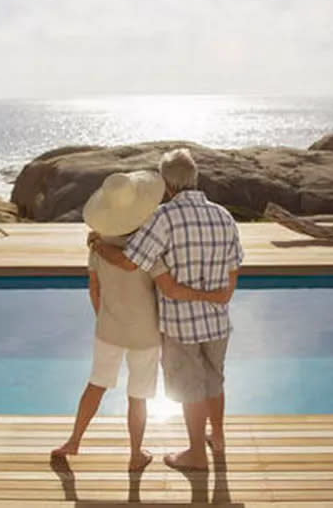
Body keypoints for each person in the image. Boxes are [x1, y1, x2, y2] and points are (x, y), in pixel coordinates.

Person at [51, 170, 230, 472]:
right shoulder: (151, 249)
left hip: (108, 328)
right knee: (138, 396)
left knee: (95, 385)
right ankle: (136, 454)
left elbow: (94, 291)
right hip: (145, 334)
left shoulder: (97, 247)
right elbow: (166, 289)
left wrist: (105, 317)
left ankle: (74, 440)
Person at [91, 148, 242, 471]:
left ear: (167, 185)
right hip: (217, 323)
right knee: (214, 381)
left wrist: (100, 245)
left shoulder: (164, 217)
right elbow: (230, 280)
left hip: (180, 324)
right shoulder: (223, 215)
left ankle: (196, 455)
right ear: (195, 178)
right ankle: (217, 438)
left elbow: (129, 262)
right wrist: (212, 298)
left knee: (190, 388)